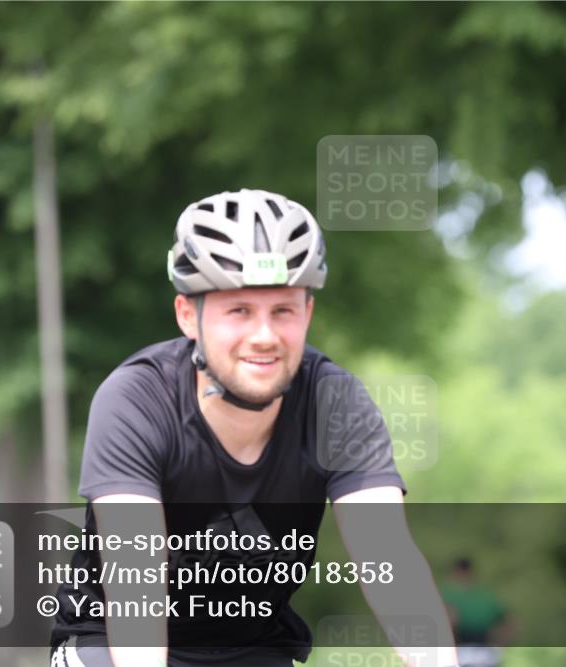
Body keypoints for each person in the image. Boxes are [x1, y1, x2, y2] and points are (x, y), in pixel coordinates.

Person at [48, 189, 460, 667]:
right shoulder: (135, 400)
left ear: (307, 313)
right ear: (189, 316)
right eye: (239, 310)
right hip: (111, 643)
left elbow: (390, 564)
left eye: (283, 310)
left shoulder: (336, 404)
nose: (264, 336)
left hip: (253, 650)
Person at [440, 558, 510, 667]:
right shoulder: (447, 593)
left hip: (479, 645)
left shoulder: (484, 595)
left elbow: (505, 622)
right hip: (464, 644)